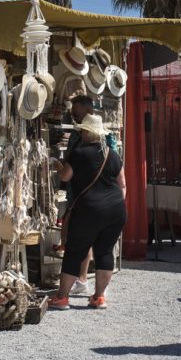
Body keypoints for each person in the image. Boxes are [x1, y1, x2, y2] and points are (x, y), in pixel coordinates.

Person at [49, 114, 127, 310]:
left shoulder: (79, 153)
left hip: (89, 209)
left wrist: (57, 165)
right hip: (116, 208)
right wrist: (113, 204)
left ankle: (62, 297)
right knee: (105, 251)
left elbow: (66, 176)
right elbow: (123, 185)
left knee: (75, 251)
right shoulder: (112, 154)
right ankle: (99, 297)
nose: (81, 132)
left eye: (82, 130)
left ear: (87, 132)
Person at [57, 95, 96, 293]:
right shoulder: (76, 133)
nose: (73, 113)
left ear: (87, 109)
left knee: (82, 236)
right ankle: (78, 278)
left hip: (86, 192)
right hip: (75, 191)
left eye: (76, 109)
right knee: (73, 233)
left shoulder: (93, 136)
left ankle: (80, 278)